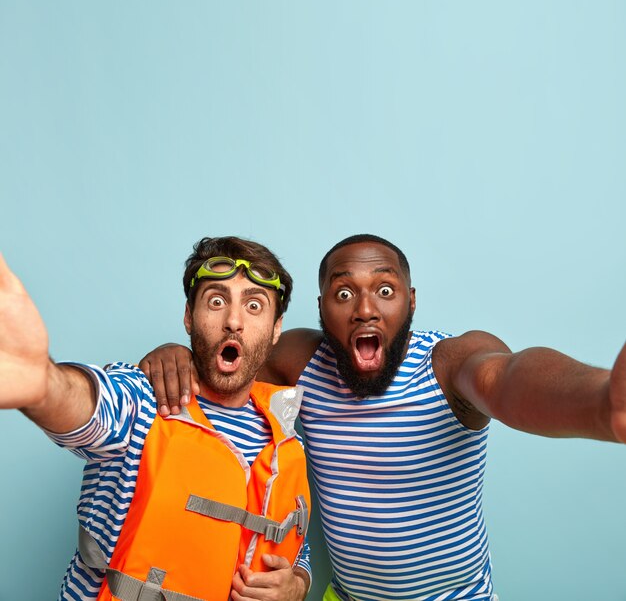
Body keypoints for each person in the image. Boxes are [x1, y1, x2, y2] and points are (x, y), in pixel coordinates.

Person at [142, 233, 626, 601]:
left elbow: (508, 378)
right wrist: (176, 353)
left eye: (386, 290)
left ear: (411, 301)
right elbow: (230, 359)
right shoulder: (301, 360)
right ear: (321, 309)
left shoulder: (449, 365)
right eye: (344, 294)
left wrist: (601, 403)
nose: (365, 309)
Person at [0, 236, 313, 601]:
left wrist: (297, 585)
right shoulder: (144, 401)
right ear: (188, 317)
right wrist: (45, 384)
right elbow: (91, 406)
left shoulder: (286, 442)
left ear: (276, 329)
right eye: (216, 301)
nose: (233, 321)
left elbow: (296, 548)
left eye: (254, 306)